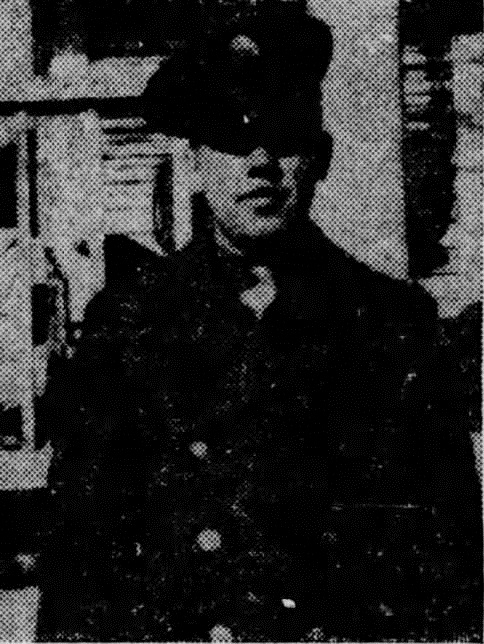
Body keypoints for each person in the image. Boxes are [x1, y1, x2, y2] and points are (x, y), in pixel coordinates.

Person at [36, 3, 482, 642]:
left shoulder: (391, 326)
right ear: (196, 162)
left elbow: (453, 579)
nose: (261, 161)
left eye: (285, 135)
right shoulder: (130, 326)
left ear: (321, 157)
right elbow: (79, 567)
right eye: (232, 137)